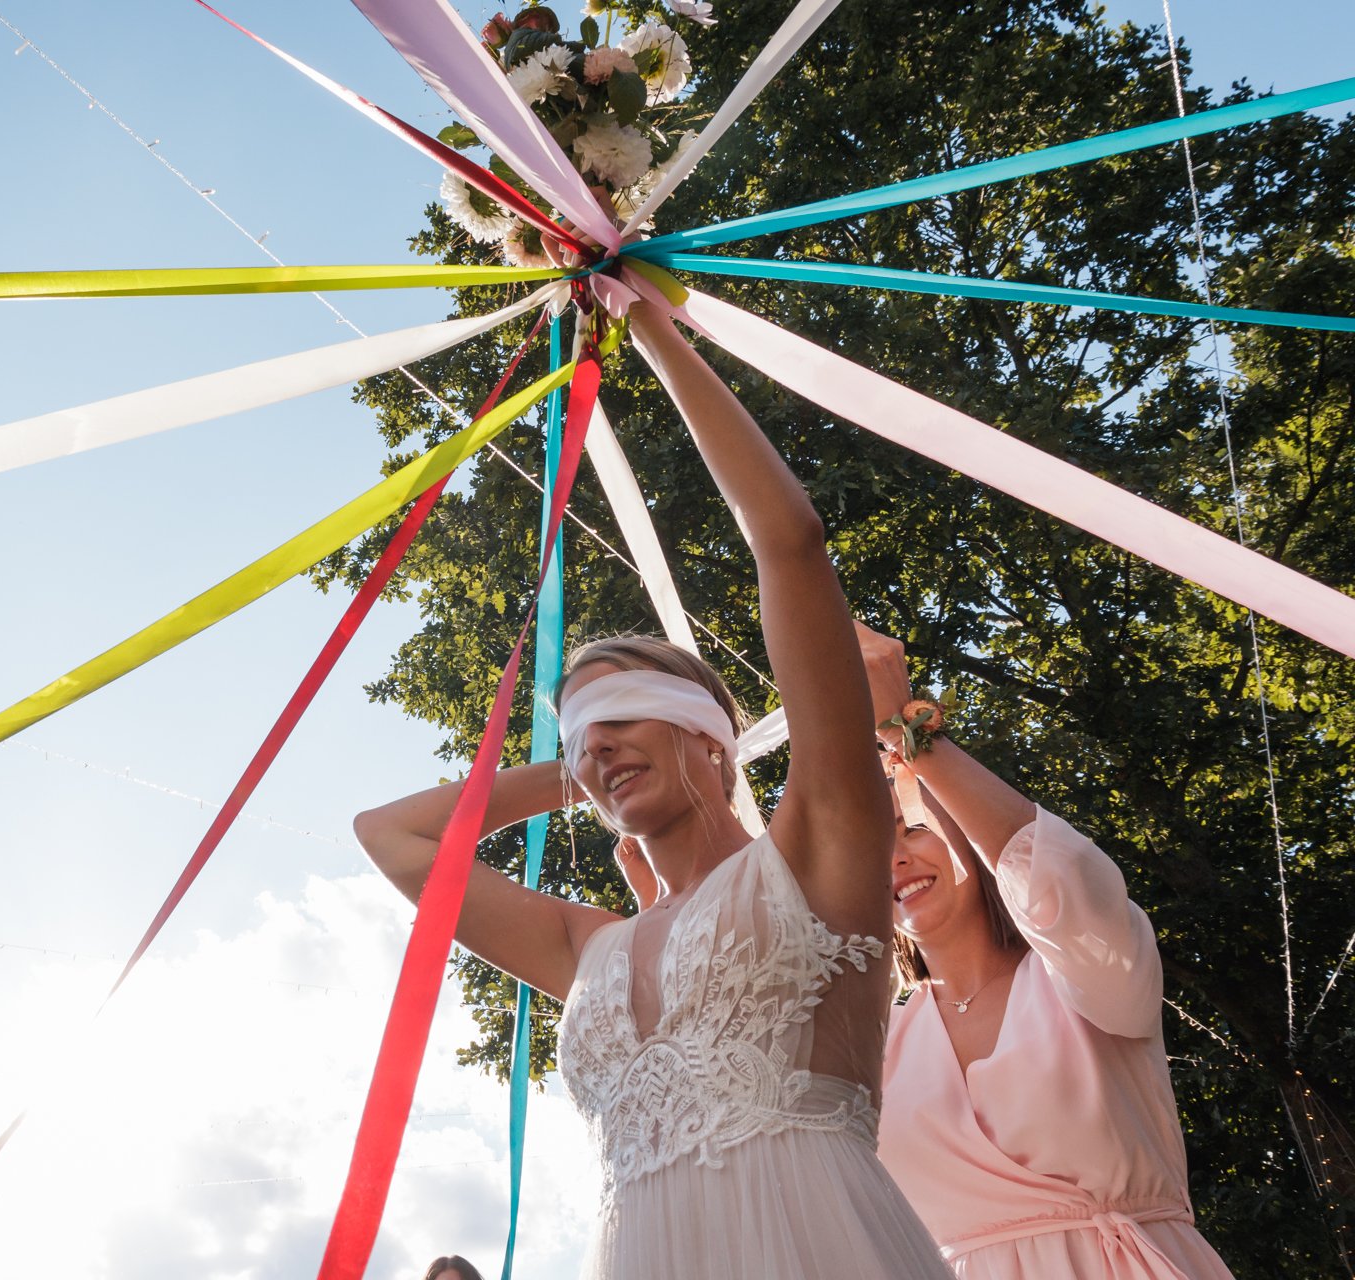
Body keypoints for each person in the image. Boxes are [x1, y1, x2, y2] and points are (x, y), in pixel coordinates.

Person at [355, 301, 948, 1278]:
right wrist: (579, 769)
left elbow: (791, 540)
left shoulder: (816, 850)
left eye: (626, 711)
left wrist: (654, 331)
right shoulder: (585, 945)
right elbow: (392, 837)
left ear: (709, 734)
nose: (599, 740)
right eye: (581, 732)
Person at [862, 628, 1235, 1279]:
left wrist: (905, 733)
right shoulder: (876, 1046)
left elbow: (1060, 878)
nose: (893, 857)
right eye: (872, 844)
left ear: (970, 835)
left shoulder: (1084, 973)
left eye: (913, 827)